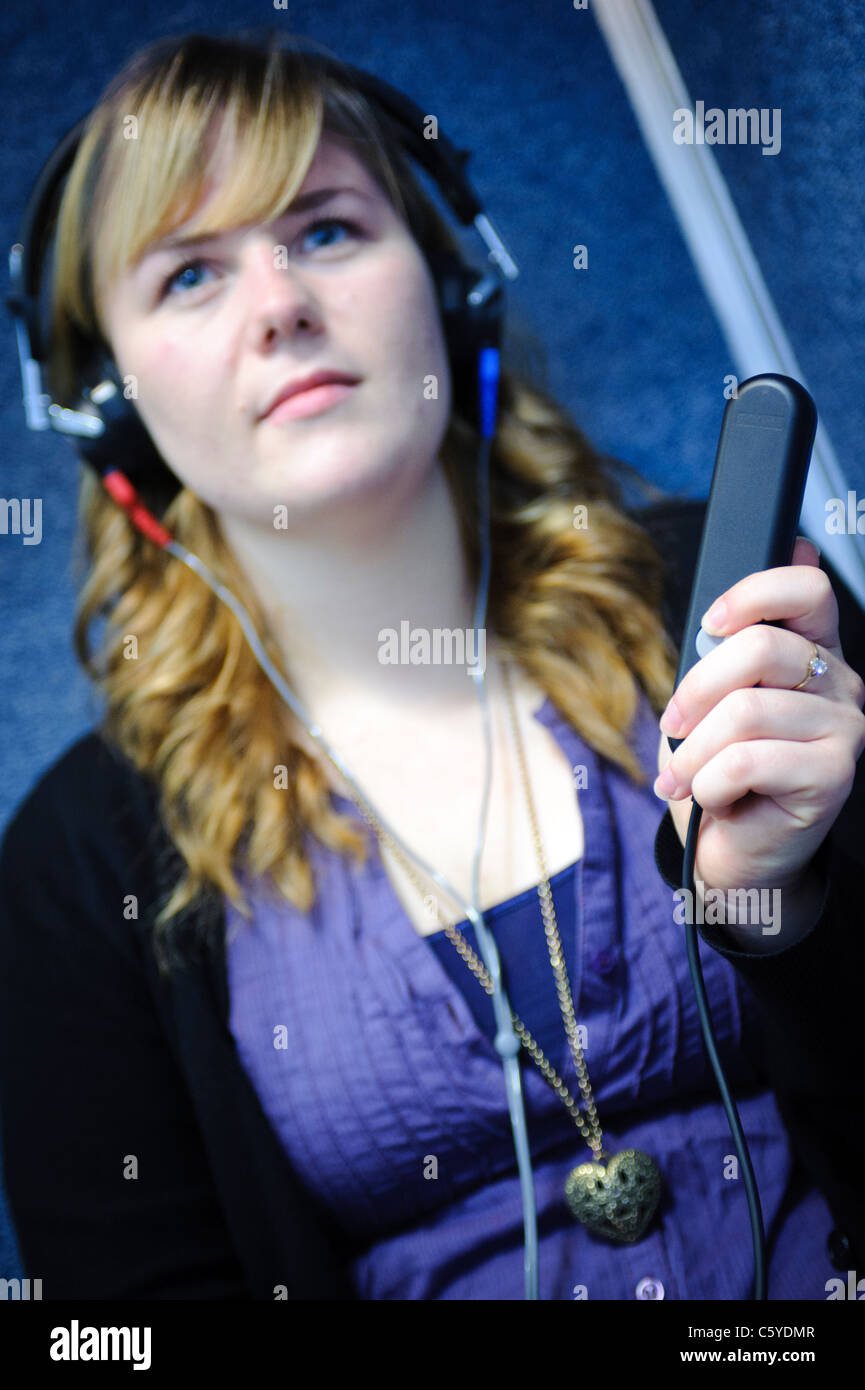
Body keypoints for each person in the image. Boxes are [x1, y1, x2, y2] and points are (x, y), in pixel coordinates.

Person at [1, 29, 864, 1302]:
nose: (279, 304)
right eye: (189, 277)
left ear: (450, 282)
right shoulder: (78, 860)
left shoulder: (729, 600)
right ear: (107, 404)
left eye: (330, 230)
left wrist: (793, 910)